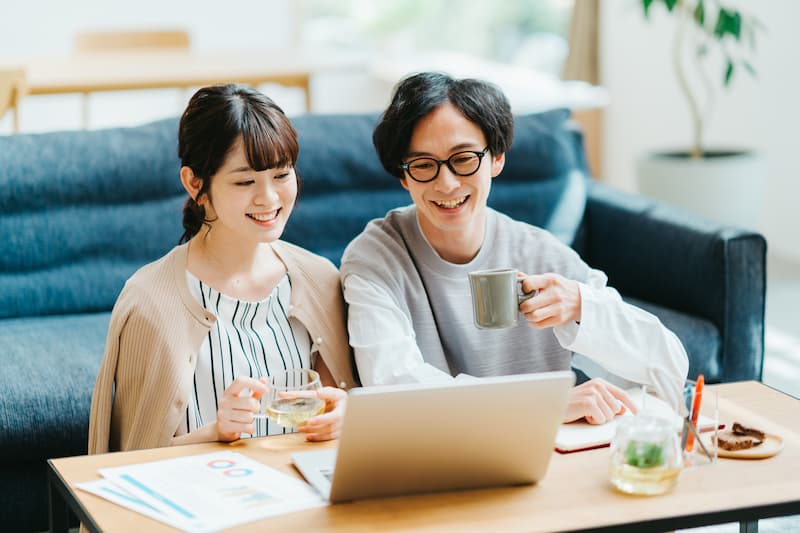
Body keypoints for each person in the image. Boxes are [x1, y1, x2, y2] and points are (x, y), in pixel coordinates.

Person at [340, 72, 689, 422]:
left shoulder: (539, 253)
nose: (445, 183)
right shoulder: (376, 258)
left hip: (546, 458)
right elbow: (390, 388)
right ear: (403, 176)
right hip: (436, 458)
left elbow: (669, 369)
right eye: (423, 165)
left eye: (463, 159)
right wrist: (543, 407)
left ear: (496, 159)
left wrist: (582, 306)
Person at [89, 84, 357, 453]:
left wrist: (348, 415)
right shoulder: (150, 301)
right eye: (245, 181)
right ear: (195, 183)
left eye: (282, 175)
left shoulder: (319, 278)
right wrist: (216, 431)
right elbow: (135, 461)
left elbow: (337, 415)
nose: (269, 198)